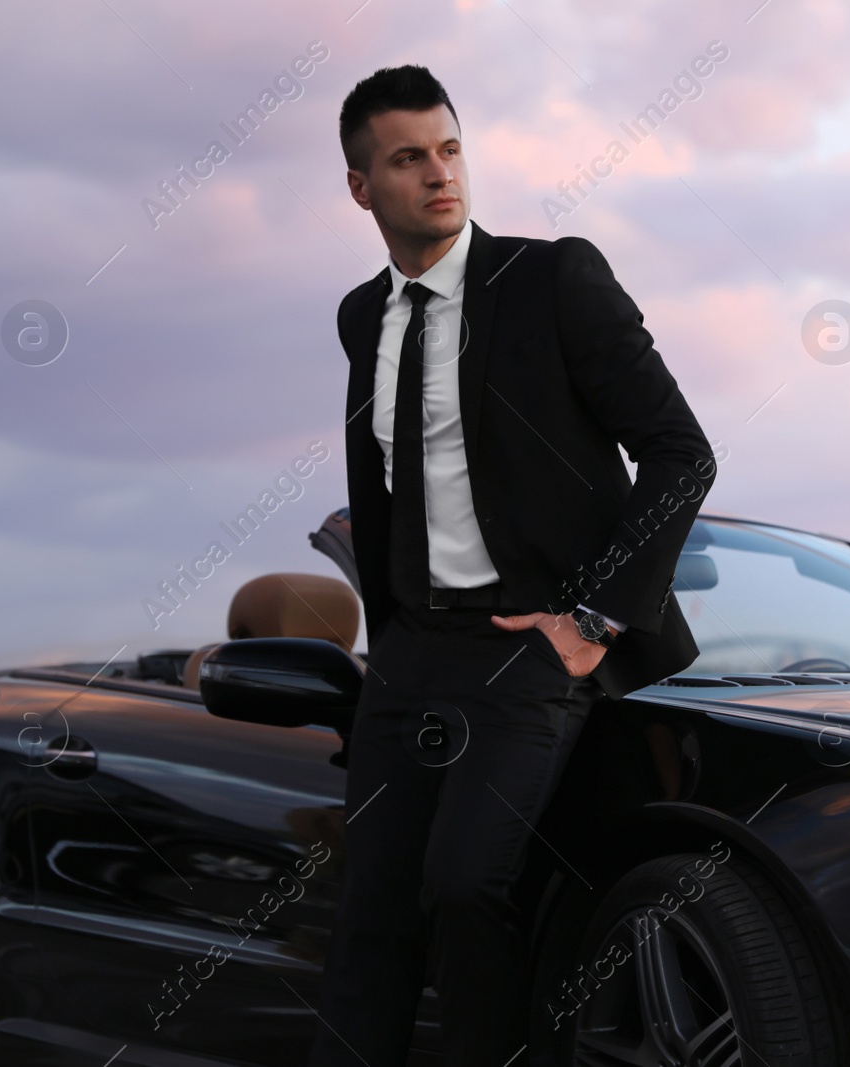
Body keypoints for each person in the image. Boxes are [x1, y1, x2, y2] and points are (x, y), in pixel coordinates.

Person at [307, 65, 715, 1066]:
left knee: (463, 884)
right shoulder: (363, 316)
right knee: (370, 915)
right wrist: (390, 627)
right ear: (362, 186)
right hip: (414, 650)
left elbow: (679, 450)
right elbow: (388, 486)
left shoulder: (551, 279)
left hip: (529, 643)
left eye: (450, 149)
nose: (440, 175)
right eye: (409, 158)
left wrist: (590, 621)